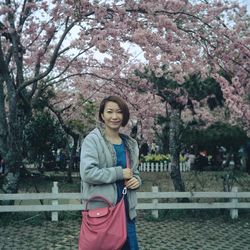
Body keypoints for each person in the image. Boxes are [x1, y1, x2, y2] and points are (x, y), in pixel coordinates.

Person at [80, 95, 141, 250]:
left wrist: (137, 180)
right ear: (102, 115)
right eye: (109, 112)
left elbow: (134, 172)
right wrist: (119, 173)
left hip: (127, 212)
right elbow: (88, 173)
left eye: (119, 112)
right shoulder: (92, 140)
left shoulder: (130, 144)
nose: (115, 116)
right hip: (103, 213)